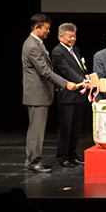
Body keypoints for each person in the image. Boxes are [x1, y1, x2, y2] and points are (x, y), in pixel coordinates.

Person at [22, 13, 78, 173]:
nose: (48, 31)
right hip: (36, 94)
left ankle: (31, 160)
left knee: (36, 129)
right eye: (46, 28)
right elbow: (45, 71)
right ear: (37, 27)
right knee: (36, 130)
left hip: (40, 93)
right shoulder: (32, 45)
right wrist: (66, 83)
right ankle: (33, 162)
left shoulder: (37, 43)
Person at [51, 22, 88, 168]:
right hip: (67, 94)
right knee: (66, 127)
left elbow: (80, 69)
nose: (72, 39)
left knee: (76, 127)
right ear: (61, 36)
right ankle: (63, 156)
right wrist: (83, 80)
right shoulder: (57, 51)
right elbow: (67, 71)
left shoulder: (76, 50)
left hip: (79, 93)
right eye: (69, 36)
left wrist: (87, 78)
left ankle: (72, 154)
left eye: (74, 36)